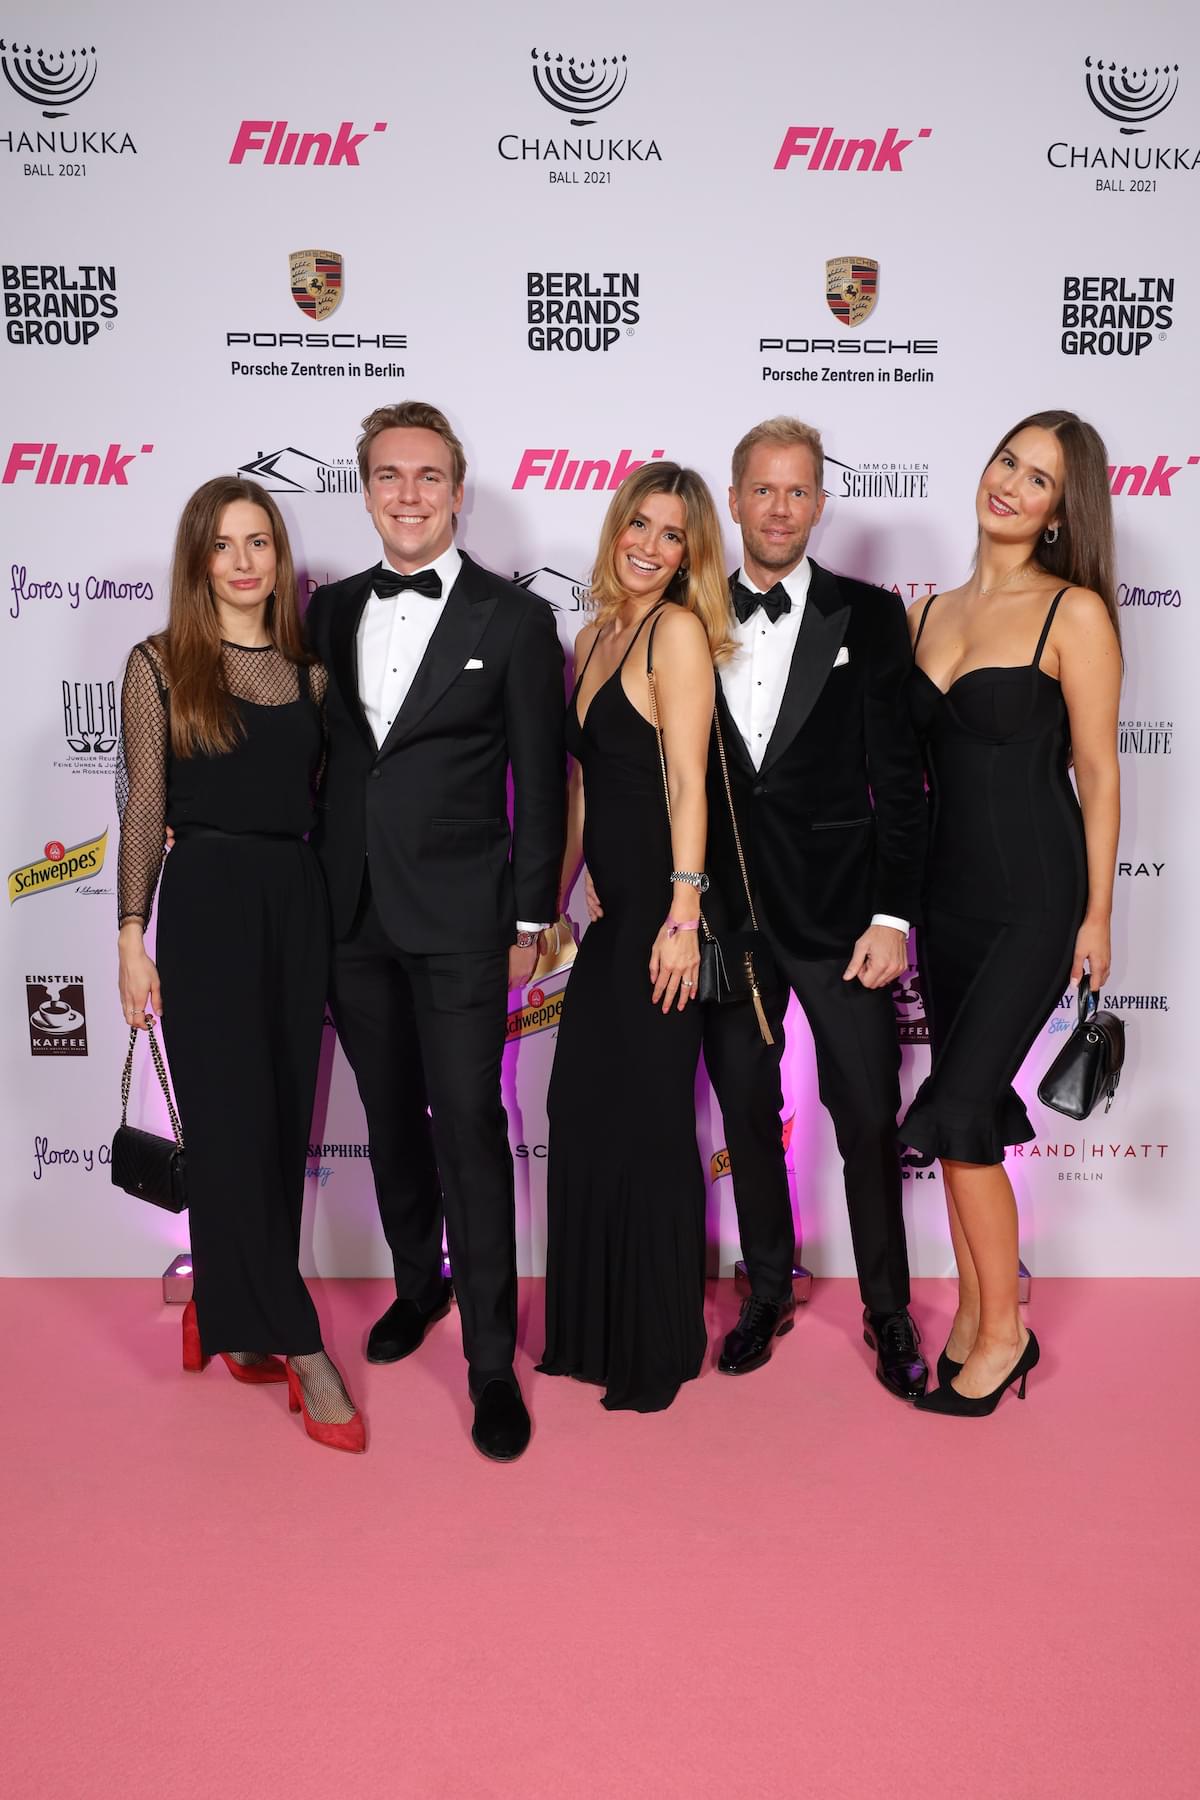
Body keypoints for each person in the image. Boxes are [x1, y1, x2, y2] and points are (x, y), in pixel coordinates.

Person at [305, 402, 565, 1462]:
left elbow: (541, 783)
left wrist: (533, 915)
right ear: (365, 490)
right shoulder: (328, 610)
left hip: (462, 918)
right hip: (349, 915)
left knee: (467, 1124)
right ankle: (421, 1284)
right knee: (389, 1120)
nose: (407, 494)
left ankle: (492, 1364)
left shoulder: (514, 620)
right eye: (388, 475)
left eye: (426, 476)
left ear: (457, 492)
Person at [116, 477, 363, 1454]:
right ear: (198, 559)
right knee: (228, 1127)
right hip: (207, 906)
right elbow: (145, 807)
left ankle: (221, 1309)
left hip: (294, 902)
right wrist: (130, 936)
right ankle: (298, 1341)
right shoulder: (158, 665)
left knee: (279, 1123)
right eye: (223, 545)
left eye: (259, 541)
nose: (244, 561)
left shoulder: (309, 676)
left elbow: (328, 801)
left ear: (280, 555)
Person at [700, 416, 931, 1397]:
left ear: (820, 504)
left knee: (869, 1115)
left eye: (798, 491)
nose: (780, 508)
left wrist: (892, 916)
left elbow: (903, 782)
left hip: (844, 920)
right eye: (763, 489)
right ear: (734, 498)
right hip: (728, 917)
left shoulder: (869, 617)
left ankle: (888, 1307)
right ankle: (765, 1288)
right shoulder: (686, 611)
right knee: (747, 1112)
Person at [902, 410, 1121, 1416]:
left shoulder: (1073, 613)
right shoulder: (926, 614)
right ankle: (974, 1313)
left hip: (1036, 899)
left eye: (1039, 479)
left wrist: (1098, 917)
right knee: (971, 1111)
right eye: (1007, 461)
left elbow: (1099, 773)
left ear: (1060, 513)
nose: (1011, 484)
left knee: (957, 1111)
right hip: (942, 902)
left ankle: (1007, 1334)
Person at [538, 463, 734, 1412]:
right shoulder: (594, 635)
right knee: (580, 1112)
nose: (651, 547)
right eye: (640, 525)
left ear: (691, 555)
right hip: (611, 922)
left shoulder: (677, 632)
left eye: (673, 535)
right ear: (617, 526)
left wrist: (683, 917)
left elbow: (689, 782)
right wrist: (553, 903)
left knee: (653, 1124)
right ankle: (590, 1330)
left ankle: (653, 1342)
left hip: (665, 921)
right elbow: (583, 789)